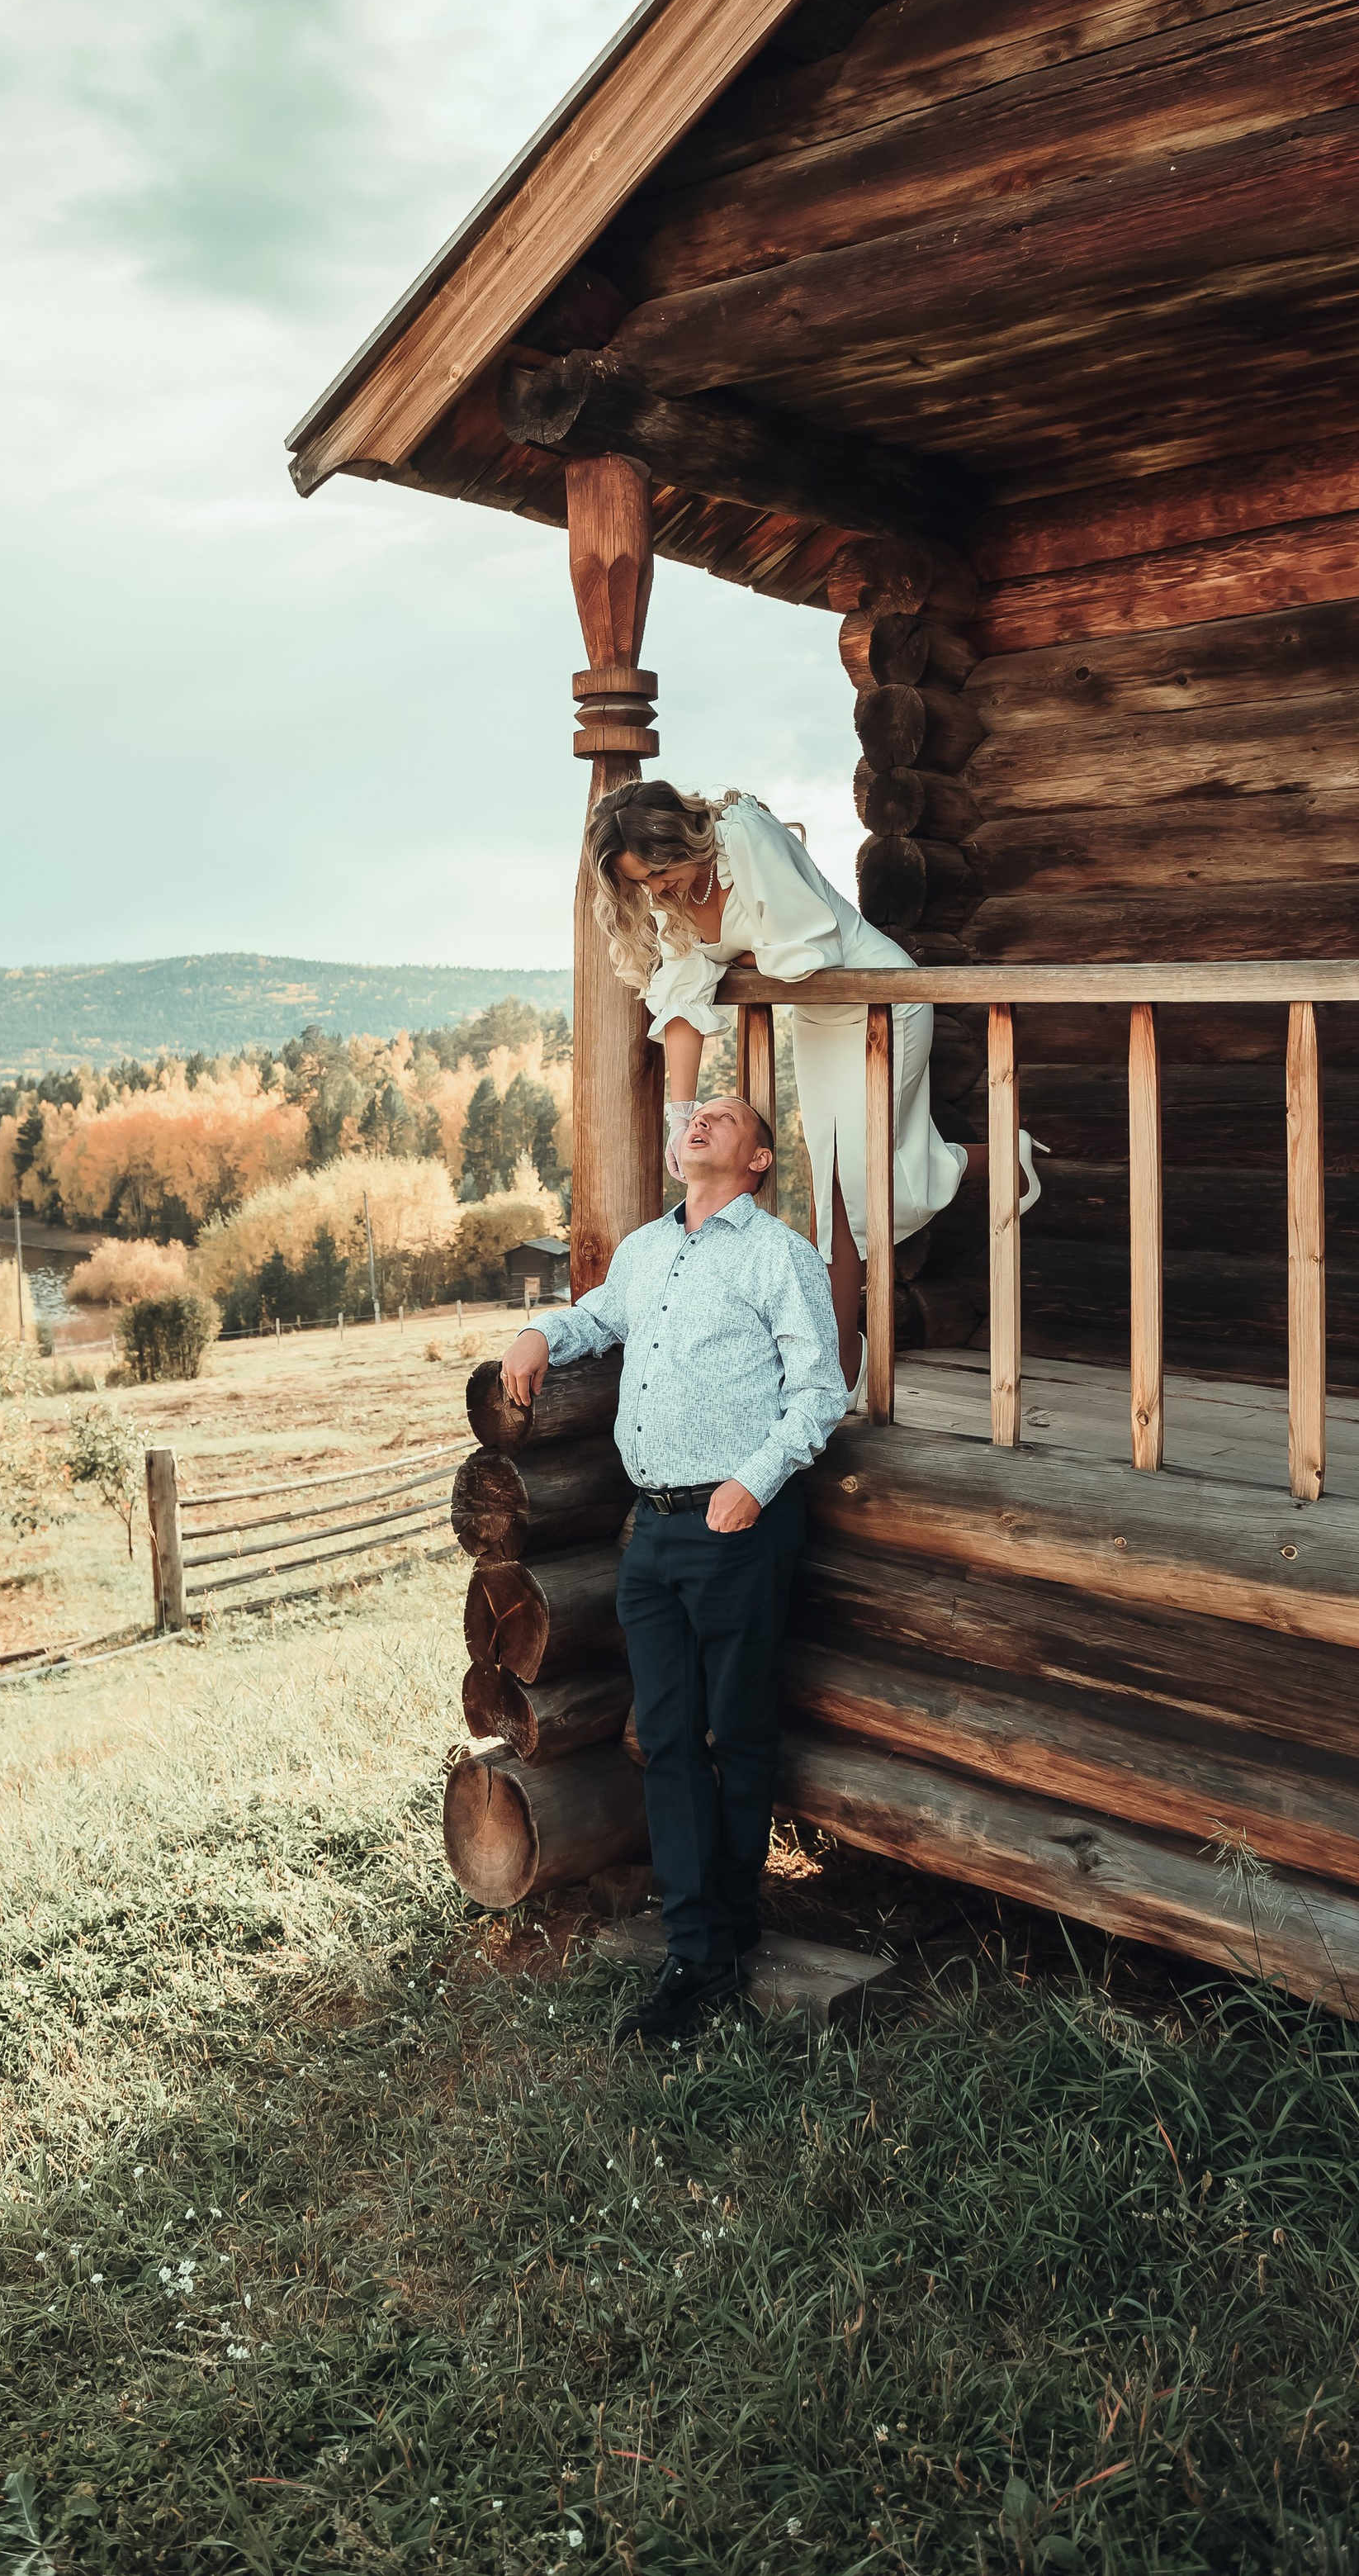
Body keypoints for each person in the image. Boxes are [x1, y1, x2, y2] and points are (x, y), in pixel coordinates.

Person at [500, 1092, 846, 2045]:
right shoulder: (645, 1250)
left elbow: (821, 1391)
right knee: (663, 1736)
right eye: (694, 1114)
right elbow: (597, 1317)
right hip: (649, 1535)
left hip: (738, 1524)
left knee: (737, 1732)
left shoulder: (778, 1255)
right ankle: (699, 1944)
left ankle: (720, 1938)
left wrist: (754, 1482)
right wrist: (538, 1333)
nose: (699, 1121)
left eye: (726, 1118)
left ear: (759, 1161)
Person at [586, 780, 1042, 1394]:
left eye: (659, 873)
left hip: (882, 1001)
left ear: (682, 843)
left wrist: (739, 959)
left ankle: (838, 1368)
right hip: (820, 1021)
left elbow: (809, 951)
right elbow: (681, 1008)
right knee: (832, 1184)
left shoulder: (745, 836)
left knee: (852, 1181)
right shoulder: (672, 900)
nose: (657, 890)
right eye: (641, 882)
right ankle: (845, 1361)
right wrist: (679, 1115)